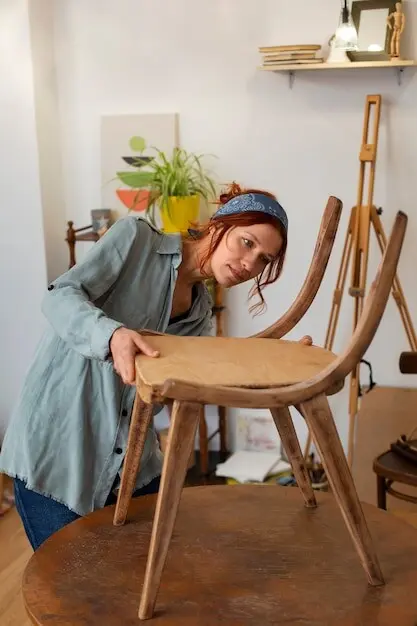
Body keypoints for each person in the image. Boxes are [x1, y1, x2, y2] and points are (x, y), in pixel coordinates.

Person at [0, 184, 310, 551]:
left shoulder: (200, 315)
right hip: (58, 452)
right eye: (247, 243)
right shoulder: (136, 240)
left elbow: (196, 384)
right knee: (69, 581)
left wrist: (277, 362)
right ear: (219, 224)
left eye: (263, 259)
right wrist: (111, 335)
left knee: (148, 574)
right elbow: (59, 295)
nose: (250, 264)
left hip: (131, 463)